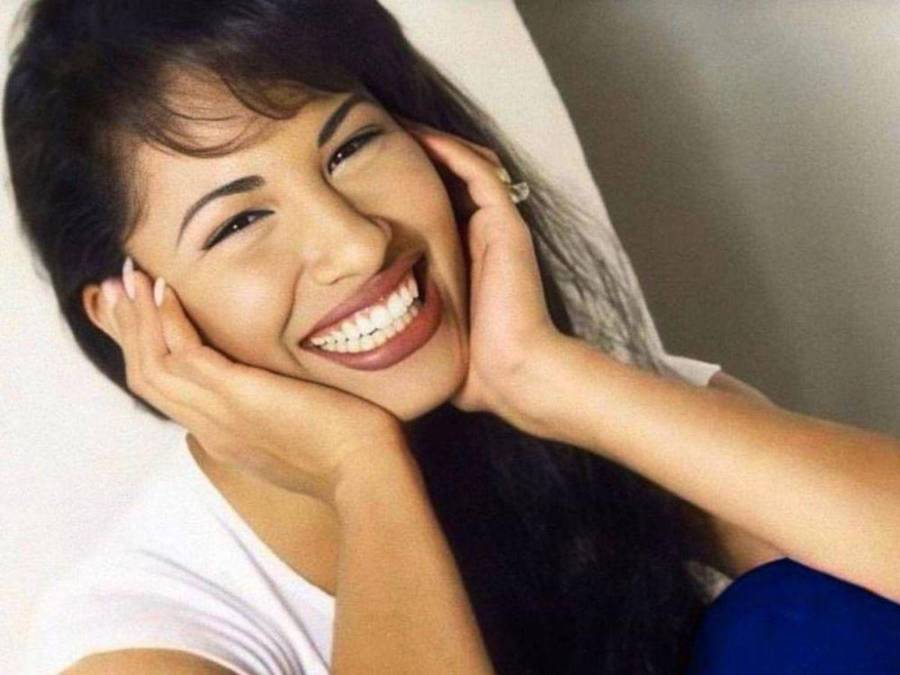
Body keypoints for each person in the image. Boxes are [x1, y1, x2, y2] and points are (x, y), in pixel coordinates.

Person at [5, 1, 900, 674]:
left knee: (806, 617)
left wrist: (544, 376)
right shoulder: (141, 638)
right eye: (239, 223)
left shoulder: (583, 410)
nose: (356, 243)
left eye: (351, 148)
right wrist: (365, 473)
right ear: (129, 311)